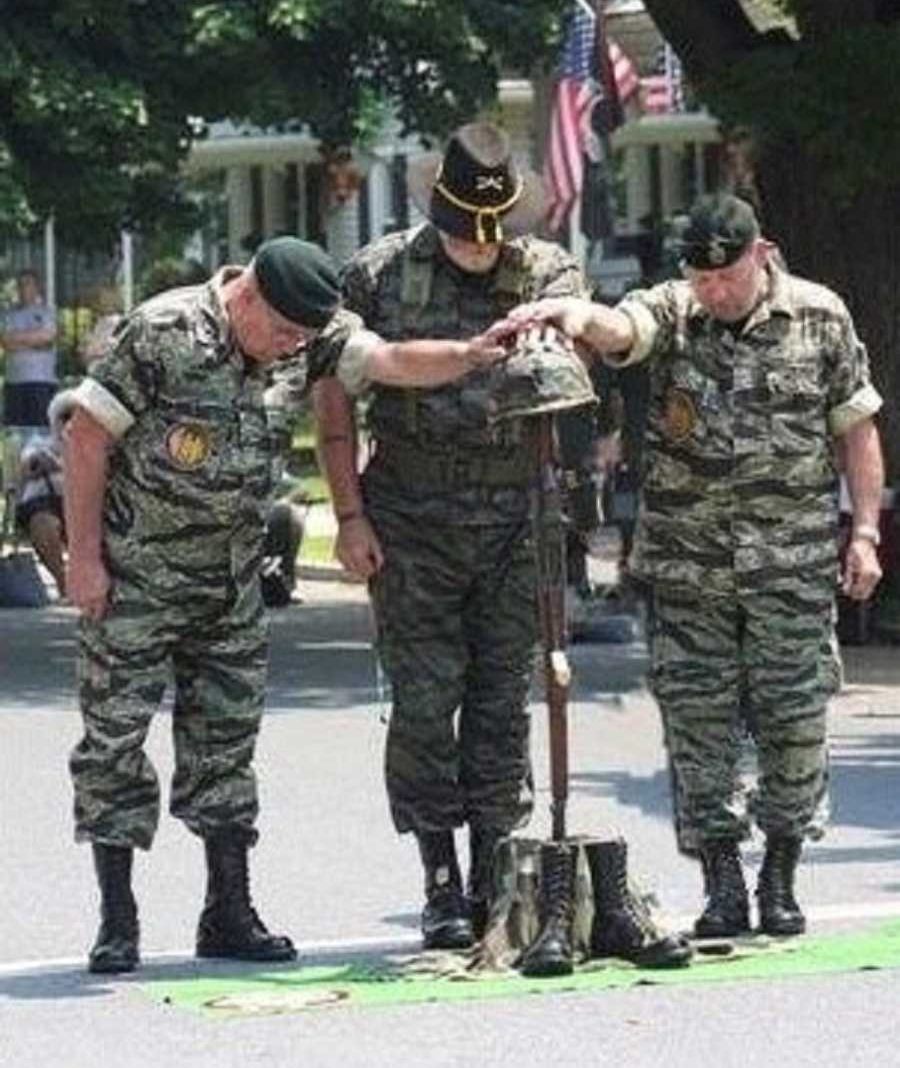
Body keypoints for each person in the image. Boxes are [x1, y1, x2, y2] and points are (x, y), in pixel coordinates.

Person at [60, 234, 507, 976]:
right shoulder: (164, 330)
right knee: (113, 743)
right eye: (282, 332)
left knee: (227, 747)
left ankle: (228, 910)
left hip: (232, 584)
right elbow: (85, 439)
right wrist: (82, 559)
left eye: (304, 338)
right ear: (247, 297)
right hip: (137, 578)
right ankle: (117, 916)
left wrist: (468, 355)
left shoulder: (309, 335)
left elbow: (387, 361)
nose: (291, 350)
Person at [494, 192, 884, 940]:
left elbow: (856, 429)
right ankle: (721, 882)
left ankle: (780, 874)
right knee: (698, 730)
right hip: (689, 569)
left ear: (760, 253)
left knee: (794, 724)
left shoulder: (820, 315)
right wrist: (574, 316)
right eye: (701, 278)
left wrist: (864, 532)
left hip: (789, 567)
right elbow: (623, 329)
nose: (714, 291)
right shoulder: (675, 311)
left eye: (727, 277)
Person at [310, 121, 589, 952]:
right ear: (441, 214)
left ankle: (497, 869)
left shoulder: (546, 271)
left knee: (504, 702)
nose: (480, 250)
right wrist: (349, 515)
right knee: (427, 706)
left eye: (492, 234)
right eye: (466, 234)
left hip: (515, 523)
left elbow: (582, 364)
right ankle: (438, 875)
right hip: (412, 519)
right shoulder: (380, 272)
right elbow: (336, 393)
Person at [2, 269, 58, 430]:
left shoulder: (47, 312)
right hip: (14, 383)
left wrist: (17, 341)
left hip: (41, 382)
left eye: (27, 284)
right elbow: (5, 342)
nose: (22, 288)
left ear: (37, 287)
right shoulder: (8, 315)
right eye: (20, 285)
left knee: (41, 432)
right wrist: (35, 342)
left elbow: (48, 338)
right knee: (14, 432)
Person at [14, 435, 66, 598]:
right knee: (43, 523)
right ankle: (63, 582)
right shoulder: (38, 440)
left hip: (91, 500)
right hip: (44, 500)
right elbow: (27, 465)